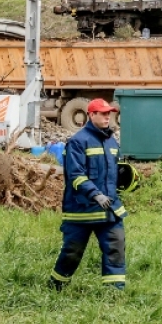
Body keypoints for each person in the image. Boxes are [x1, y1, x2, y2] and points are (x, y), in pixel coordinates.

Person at [49, 98, 127, 291]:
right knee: (72, 253)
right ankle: (56, 286)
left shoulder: (111, 141)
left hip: (109, 210)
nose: (108, 116)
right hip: (81, 211)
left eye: (109, 113)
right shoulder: (77, 142)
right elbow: (75, 176)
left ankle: (114, 292)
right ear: (91, 115)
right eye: (103, 113)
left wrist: (126, 178)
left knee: (116, 247)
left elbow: (113, 174)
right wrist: (95, 195)